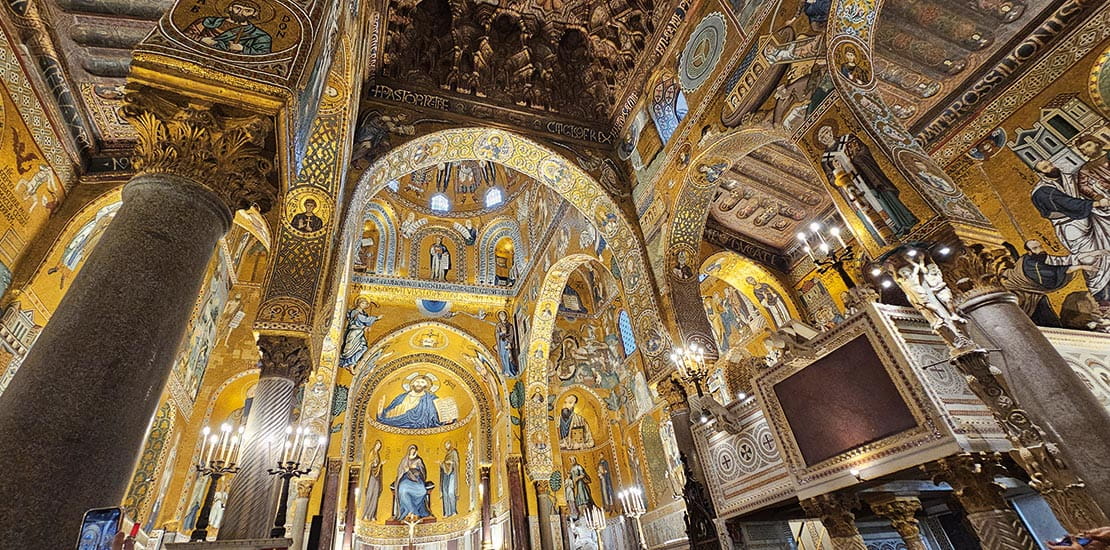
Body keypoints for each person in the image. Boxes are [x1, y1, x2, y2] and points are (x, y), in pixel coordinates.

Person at [1030, 160, 1110, 303]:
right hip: (1071, 228)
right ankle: (1103, 297)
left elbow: (1084, 188)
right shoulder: (1041, 192)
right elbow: (1068, 204)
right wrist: (1096, 203)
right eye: (1046, 168)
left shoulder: (1067, 176)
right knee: (1092, 260)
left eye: (1050, 164)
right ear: (1040, 173)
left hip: (1090, 218)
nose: (1052, 168)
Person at [184, 0, 272, 54]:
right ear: (230, 8)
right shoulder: (207, 21)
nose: (240, 13)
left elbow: (263, 55)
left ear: (254, 13)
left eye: (247, 11)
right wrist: (202, 39)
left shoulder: (260, 36)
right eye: (238, 8)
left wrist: (242, 48)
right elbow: (185, 35)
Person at [378, 374, 443, 429]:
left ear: (426, 385)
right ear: (412, 383)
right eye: (417, 382)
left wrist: (445, 420)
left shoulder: (430, 398)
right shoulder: (401, 397)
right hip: (397, 421)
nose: (419, 384)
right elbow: (391, 408)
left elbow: (434, 415)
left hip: (421, 424)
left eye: (422, 382)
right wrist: (382, 412)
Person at [337, 298, 381, 370]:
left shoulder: (364, 313)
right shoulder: (355, 312)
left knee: (364, 348)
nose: (364, 305)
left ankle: (352, 363)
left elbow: (364, 321)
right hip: (354, 332)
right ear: (358, 303)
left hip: (360, 333)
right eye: (362, 303)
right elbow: (362, 319)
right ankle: (348, 363)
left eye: (365, 304)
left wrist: (366, 327)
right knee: (350, 349)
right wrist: (376, 318)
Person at [393, 445, 432, 519]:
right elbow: (400, 471)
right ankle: (411, 511)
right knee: (403, 490)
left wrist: (416, 471)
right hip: (406, 479)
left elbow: (423, 471)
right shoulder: (405, 460)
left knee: (423, 491)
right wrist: (406, 470)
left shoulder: (418, 460)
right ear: (409, 450)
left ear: (416, 451)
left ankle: (416, 509)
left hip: (417, 479)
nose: (412, 451)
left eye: (414, 450)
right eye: (411, 450)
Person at [362, 440, 383, 521]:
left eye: (380, 446)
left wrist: (380, 465)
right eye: (378, 445)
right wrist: (376, 464)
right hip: (371, 476)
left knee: (375, 495)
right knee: (370, 495)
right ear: (375, 444)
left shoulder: (378, 454)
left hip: (377, 477)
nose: (379, 447)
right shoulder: (372, 453)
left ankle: (372, 515)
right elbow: (370, 464)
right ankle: (366, 514)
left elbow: (377, 465)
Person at [440, 441, 460, 517]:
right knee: (445, 492)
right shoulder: (447, 455)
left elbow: (456, 462)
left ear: (450, 444)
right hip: (445, 474)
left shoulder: (454, 452)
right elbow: (444, 464)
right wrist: (442, 463)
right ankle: (447, 512)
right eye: (445, 445)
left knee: (450, 492)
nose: (446, 446)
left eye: (447, 444)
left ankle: (453, 510)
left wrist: (450, 462)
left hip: (452, 474)